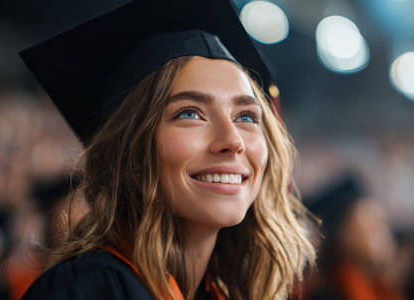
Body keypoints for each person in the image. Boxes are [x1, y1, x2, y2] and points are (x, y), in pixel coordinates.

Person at [19, 0, 315, 299]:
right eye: (189, 113)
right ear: (128, 148)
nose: (233, 140)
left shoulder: (217, 293)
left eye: (247, 117)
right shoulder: (87, 289)